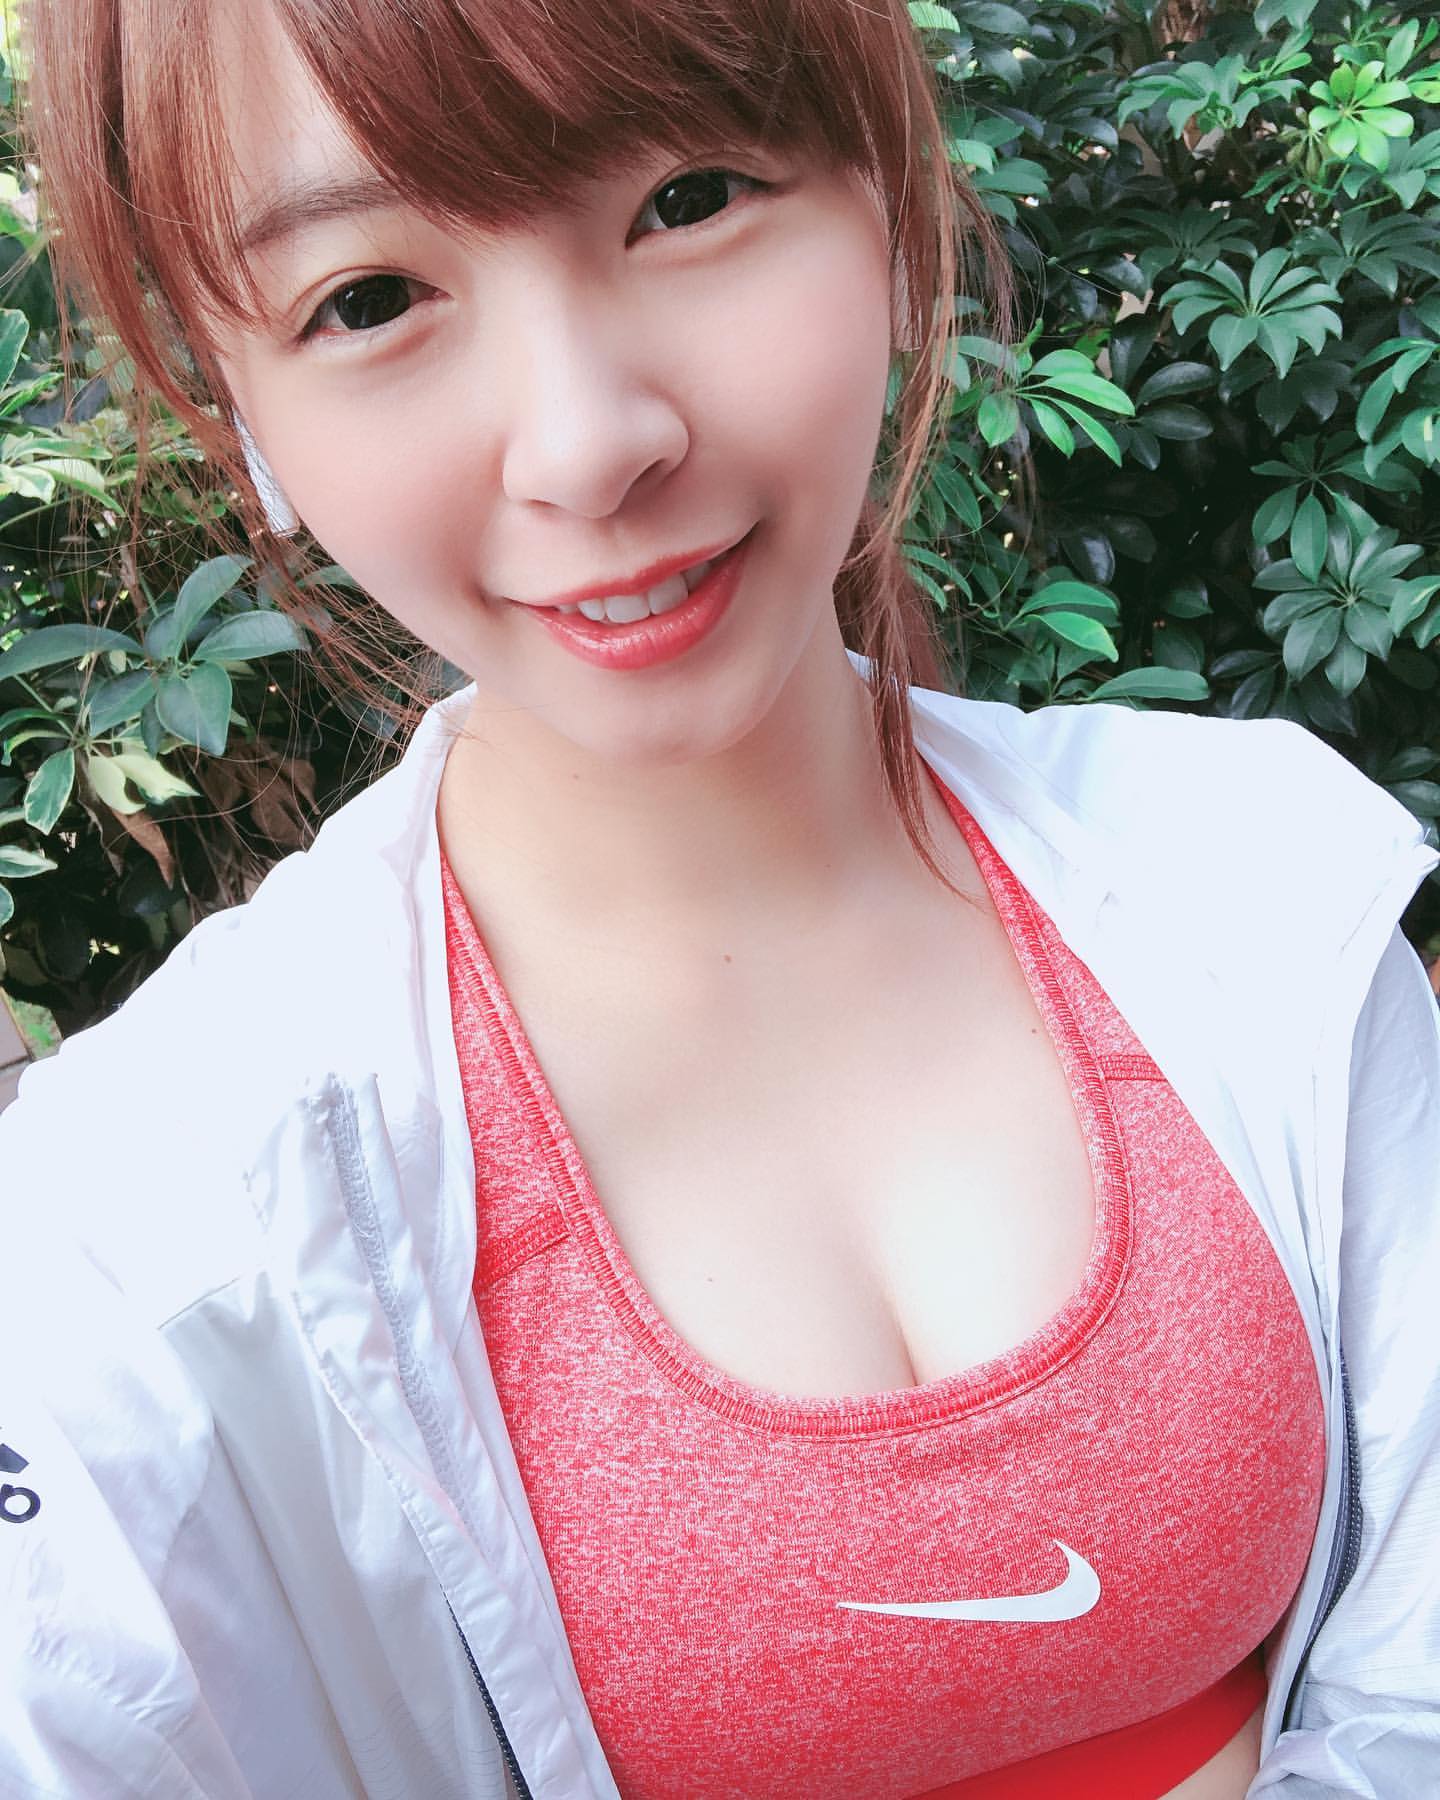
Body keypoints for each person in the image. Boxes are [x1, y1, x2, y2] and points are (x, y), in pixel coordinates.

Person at [2, 1, 1438, 1796]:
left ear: (891, 203)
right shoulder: (141, 1232)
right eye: (366, 300)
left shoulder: (1265, 898)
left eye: (688, 199)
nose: (586, 443)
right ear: (243, 425)